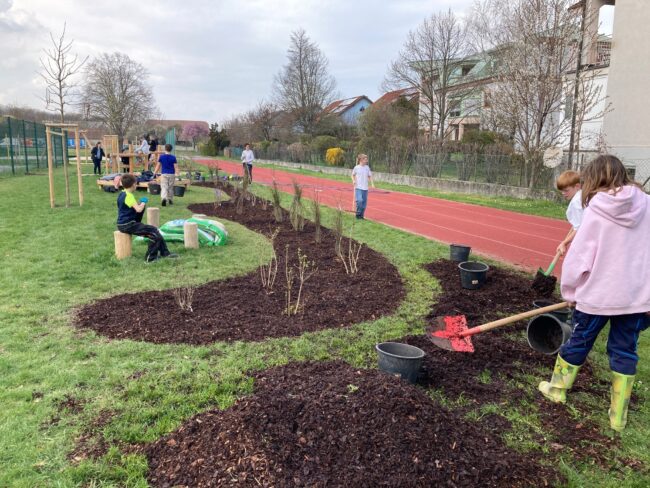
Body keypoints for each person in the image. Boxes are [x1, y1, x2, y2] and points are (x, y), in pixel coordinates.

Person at [538, 155, 650, 432]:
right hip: (636, 298)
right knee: (625, 349)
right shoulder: (647, 205)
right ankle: (618, 416)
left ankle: (557, 390)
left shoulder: (595, 210)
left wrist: (570, 291)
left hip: (596, 297)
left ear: (594, 179)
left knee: (579, 340)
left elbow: (579, 258)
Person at [116, 173, 177, 262]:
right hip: (128, 225)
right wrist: (143, 202)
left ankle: (165, 253)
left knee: (154, 230)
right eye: (136, 184)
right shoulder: (129, 196)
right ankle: (150, 258)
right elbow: (139, 210)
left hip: (122, 224)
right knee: (153, 233)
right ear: (133, 185)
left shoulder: (122, 194)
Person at [555, 170, 583, 256]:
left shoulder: (576, 202)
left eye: (566, 190)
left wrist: (564, 243)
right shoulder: (582, 195)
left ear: (577, 186)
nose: (563, 193)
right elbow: (578, 223)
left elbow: (579, 228)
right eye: (562, 191)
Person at [351, 153, 375, 219]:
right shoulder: (356, 167)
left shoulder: (367, 168)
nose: (366, 160)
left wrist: (372, 184)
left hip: (365, 188)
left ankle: (361, 216)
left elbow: (370, 176)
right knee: (359, 201)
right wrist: (353, 181)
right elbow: (352, 175)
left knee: (364, 204)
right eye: (365, 159)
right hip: (358, 187)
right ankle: (358, 215)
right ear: (361, 160)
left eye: (366, 159)